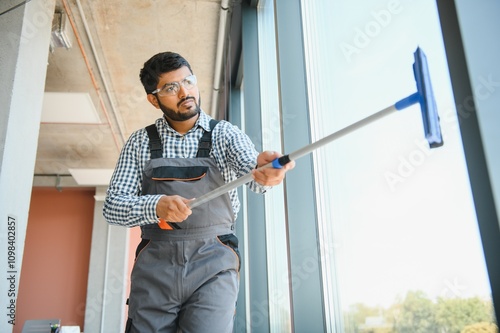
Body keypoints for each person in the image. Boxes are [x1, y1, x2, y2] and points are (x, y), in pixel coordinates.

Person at [103, 51, 294, 333]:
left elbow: (254, 174)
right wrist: (155, 206)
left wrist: (265, 171)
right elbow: (113, 207)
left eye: (189, 81)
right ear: (153, 99)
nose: (185, 92)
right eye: (171, 87)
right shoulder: (139, 142)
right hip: (155, 267)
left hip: (213, 262)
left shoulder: (224, 134)